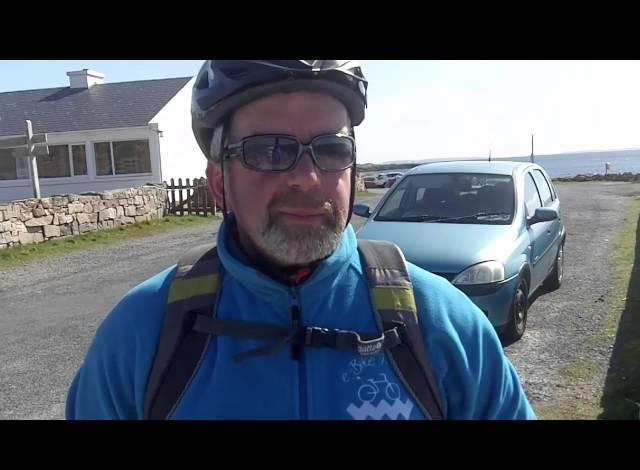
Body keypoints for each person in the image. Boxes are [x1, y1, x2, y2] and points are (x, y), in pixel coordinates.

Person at [66, 60, 536, 420]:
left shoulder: (442, 325)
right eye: (269, 150)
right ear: (217, 181)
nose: (308, 178)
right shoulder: (141, 335)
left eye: (332, 149)